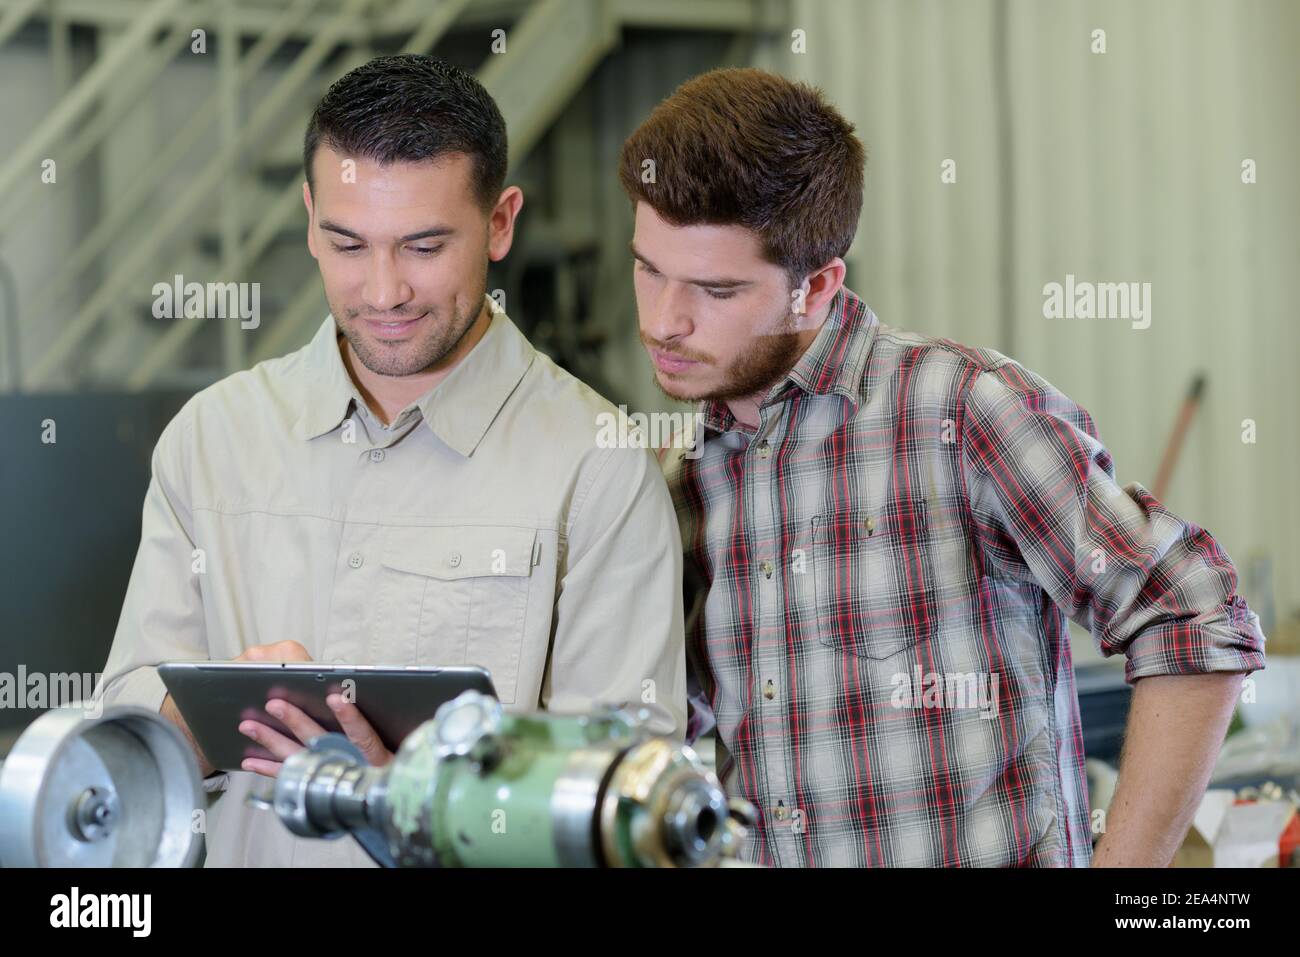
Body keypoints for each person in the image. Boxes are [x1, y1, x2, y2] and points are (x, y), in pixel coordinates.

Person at [620, 67, 1265, 867]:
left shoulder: (961, 412)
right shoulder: (681, 479)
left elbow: (1193, 613)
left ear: (816, 287)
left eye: (716, 290)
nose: (663, 321)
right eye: (649, 268)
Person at [96, 54, 686, 867]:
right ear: (308, 218)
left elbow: (628, 805)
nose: (382, 292)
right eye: (346, 242)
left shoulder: (598, 468)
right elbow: (117, 745)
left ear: (502, 221)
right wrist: (198, 715)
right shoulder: (210, 440)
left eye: (423, 245)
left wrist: (425, 801)